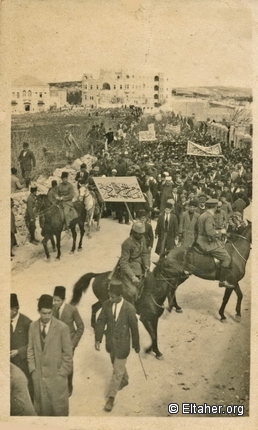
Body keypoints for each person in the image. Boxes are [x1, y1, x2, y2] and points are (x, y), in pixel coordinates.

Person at [94, 280, 140, 412]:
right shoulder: (107, 304)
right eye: (109, 295)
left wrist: (136, 344)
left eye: (113, 296)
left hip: (123, 344)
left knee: (116, 372)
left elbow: (134, 328)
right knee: (116, 366)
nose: (110, 298)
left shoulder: (129, 308)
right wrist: (98, 339)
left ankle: (111, 398)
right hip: (110, 343)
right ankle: (125, 379)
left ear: (120, 295)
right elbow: (101, 321)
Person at [27, 294, 73, 416]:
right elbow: (30, 350)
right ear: (38, 311)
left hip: (57, 379)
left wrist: (62, 373)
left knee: (58, 413)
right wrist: (33, 370)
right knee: (42, 412)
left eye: (49, 313)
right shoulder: (32, 327)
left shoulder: (62, 328)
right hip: (39, 379)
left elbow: (68, 354)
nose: (46, 316)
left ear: (52, 311)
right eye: (43, 313)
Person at [52, 286, 84, 396]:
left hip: (69, 343)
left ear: (63, 300)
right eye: (54, 300)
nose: (55, 302)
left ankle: (69, 386)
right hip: (56, 343)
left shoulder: (72, 309)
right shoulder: (51, 309)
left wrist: (73, 344)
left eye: (58, 300)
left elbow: (81, 327)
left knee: (68, 364)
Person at [196, 199, 234, 288]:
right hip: (206, 242)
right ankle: (222, 280)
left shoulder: (203, 215)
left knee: (221, 244)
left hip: (201, 239)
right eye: (217, 206)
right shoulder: (209, 217)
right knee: (227, 258)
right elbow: (209, 232)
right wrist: (221, 231)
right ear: (215, 207)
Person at [118, 221, 150, 302]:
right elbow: (123, 263)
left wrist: (147, 265)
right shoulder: (127, 243)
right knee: (133, 292)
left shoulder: (142, 239)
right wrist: (132, 276)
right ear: (134, 233)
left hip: (140, 267)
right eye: (140, 234)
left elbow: (145, 253)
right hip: (129, 270)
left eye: (142, 233)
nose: (142, 235)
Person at [10, 293, 33, 400]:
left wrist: (19, 351)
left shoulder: (27, 323)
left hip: (23, 364)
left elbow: (33, 344)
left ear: (15, 310)